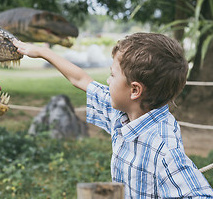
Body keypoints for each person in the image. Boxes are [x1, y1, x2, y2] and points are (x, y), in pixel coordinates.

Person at [13, 32, 213, 198]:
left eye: (112, 75)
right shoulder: (122, 111)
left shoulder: (164, 149)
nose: (108, 81)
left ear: (135, 90)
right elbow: (81, 79)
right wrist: (42, 52)